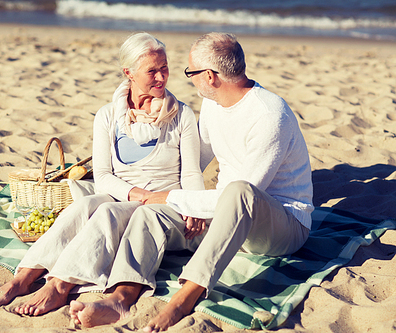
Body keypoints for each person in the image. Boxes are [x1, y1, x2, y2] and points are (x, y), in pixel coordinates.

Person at [69, 32, 313, 332]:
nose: (185, 79)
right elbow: (196, 161)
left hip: (281, 227)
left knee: (235, 191)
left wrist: (171, 198)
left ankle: (182, 300)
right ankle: (121, 297)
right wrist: (177, 201)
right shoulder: (212, 103)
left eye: (190, 72)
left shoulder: (269, 115)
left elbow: (246, 195)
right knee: (149, 215)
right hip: (225, 216)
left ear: (209, 76)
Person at [0, 32, 204, 316]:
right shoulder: (107, 116)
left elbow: (191, 174)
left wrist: (195, 205)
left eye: (165, 68)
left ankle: (59, 286)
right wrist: (141, 196)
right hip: (129, 198)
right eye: (152, 71)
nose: (162, 77)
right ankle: (23, 278)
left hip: (165, 209)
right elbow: (102, 175)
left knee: (108, 212)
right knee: (86, 204)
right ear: (129, 73)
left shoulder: (182, 115)